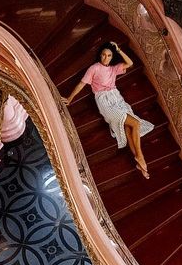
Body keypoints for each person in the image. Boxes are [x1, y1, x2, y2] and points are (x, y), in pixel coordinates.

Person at [63, 41, 154, 179]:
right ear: (100, 55)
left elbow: (130, 63)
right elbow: (82, 84)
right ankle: (140, 157)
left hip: (117, 99)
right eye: (104, 55)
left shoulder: (113, 69)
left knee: (129, 129)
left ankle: (140, 164)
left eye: (109, 55)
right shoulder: (94, 68)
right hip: (104, 102)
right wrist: (70, 98)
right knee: (135, 123)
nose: (106, 58)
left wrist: (119, 50)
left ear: (112, 57)